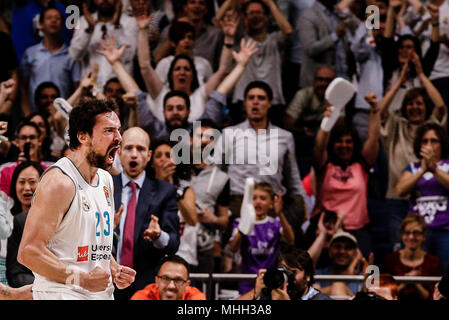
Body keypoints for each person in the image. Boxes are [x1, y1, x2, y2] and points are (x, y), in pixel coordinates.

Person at [17, 99, 136, 300]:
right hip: (62, 294)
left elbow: (94, 245)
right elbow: (28, 252)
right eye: (109, 130)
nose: (119, 138)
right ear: (83, 136)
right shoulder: (59, 182)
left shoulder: (106, 179)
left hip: (100, 295)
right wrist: (80, 279)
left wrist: (112, 267)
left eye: (118, 130)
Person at [213, 80, 307, 245]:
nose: (255, 102)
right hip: (237, 203)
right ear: (245, 103)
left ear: (270, 103)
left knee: (273, 256)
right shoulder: (229, 134)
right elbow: (216, 172)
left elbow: (292, 177)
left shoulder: (285, 137)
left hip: (271, 204)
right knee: (236, 255)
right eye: (251, 98)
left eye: (261, 98)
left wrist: (303, 204)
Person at [112, 127, 180, 300]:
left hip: (146, 285)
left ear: (149, 156)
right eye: (128, 148)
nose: (134, 154)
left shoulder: (165, 191)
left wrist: (159, 236)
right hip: (107, 281)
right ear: (119, 152)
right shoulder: (104, 186)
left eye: (140, 149)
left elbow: (173, 243)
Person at [135, 9, 236, 123]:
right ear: (170, 74)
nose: (182, 72)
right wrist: (142, 31)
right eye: (177, 69)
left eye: (187, 69)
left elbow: (223, 70)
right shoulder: (161, 94)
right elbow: (145, 66)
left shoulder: (200, 96)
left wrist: (229, 38)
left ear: (193, 75)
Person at [312, 93, 381, 257]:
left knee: (370, 271)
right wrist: (326, 123)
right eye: (339, 141)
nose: (344, 145)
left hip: (357, 229)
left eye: (348, 141)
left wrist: (374, 109)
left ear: (354, 143)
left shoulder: (361, 165)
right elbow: (319, 147)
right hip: (325, 230)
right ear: (332, 144)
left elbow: (373, 138)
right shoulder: (325, 166)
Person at [231, 0, 294, 126]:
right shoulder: (240, 39)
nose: (255, 16)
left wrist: (270, 3)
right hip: (243, 101)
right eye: (251, 13)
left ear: (266, 17)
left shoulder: (275, 39)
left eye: (259, 12)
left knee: (271, 143)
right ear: (245, 17)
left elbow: (288, 31)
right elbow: (221, 18)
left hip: (272, 101)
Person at [396, 123, 449, 270]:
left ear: (442, 143)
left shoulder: (447, 165)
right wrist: (423, 170)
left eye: (434, 141)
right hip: (417, 233)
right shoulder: (413, 168)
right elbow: (400, 190)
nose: (429, 145)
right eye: (425, 141)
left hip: (445, 230)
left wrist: (433, 168)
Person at [228, 182, 295, 294]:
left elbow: (290, 239)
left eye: (263, 198)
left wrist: (280, 214)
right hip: (247, 283)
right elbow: (233, 248)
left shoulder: (276, 223)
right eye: (254, 198)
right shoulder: (239, 222)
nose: (258, 201)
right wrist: (243, 226)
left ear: (271, 203)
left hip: (272, 282)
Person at [19, 6, 81, 114]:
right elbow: (23, 87)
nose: (53, 21)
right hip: (35, 113)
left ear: (62, 25)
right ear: (41, 24)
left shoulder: (71, 55)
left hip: (63, 113)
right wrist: (27, 112)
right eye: (49, 18)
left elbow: (77, 87)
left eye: (57, 18)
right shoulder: (31, 53)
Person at [148, 140, 197, 269]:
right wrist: (160, 182)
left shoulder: (186, 190)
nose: (164, 159)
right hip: (155, 258)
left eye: (168, 155)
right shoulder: (145, 190)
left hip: (185, 257)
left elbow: (192, 220)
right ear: (152, 163)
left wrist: (170, 187)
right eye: (158, 156)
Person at [69, 0, 137, 91]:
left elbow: (128, 56)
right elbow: (75, 55)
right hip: (92, 89)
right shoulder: (83, 21)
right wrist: (89, 30)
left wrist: (117, 27)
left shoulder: (130, 22)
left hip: (120, 90)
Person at [284, 66, 336, 177]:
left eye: (328, 81)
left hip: (327, 139)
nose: (323, 84)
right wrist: (303, 131)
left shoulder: (336, 97)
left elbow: (342, 126)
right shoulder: (304, 95)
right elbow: (287, 123)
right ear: (313, 82)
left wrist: (331, 107)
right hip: (302, 137)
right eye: (320, 79)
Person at [383, 214, 442, 300]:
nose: (411, 237)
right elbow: (385, 296)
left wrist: (416, 283)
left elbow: (433, 297)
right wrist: (404, 283)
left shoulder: (433, 262)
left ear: (424, 236)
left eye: (416, 233)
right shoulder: (391, 260)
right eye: (407, 233)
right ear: (401, 235)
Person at [238, 247, 332, 300]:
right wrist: (254, 294)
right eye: (282, 271)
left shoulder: (320, 299)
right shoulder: (268, 295)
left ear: (307, 276)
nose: (287, 277)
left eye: (293, 272)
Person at [6, 161, 43, 288]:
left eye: (32, 182)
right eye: (22, 182)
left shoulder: (53, 219)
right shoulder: (5, 218)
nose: (27, 187)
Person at [298, 0, 350, 89]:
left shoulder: (339, 14)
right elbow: (310, 49)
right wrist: (335, 36)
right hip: (319, 84)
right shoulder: (308, 16)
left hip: (342, 78)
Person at [0, 121, 53, 196]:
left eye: (32, 137)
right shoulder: (4, 170)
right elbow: (3, 201)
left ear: (40, 141)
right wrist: (19, 171)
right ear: (17, 142)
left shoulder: (51, 169)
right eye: (24, 138)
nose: (28, 141)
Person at [314, 231, 367, 299]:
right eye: (337, 247)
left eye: (347, 248)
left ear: (355, 253)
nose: (342, 251)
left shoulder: (362, 278)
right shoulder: (318, 274)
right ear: (329, 250)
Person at [131, 254, 206, 300]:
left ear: (187, 285)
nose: (171, 286)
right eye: (165, 278)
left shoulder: (195, 296)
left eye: (178, 280)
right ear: (157, 281)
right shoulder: (143, 296)